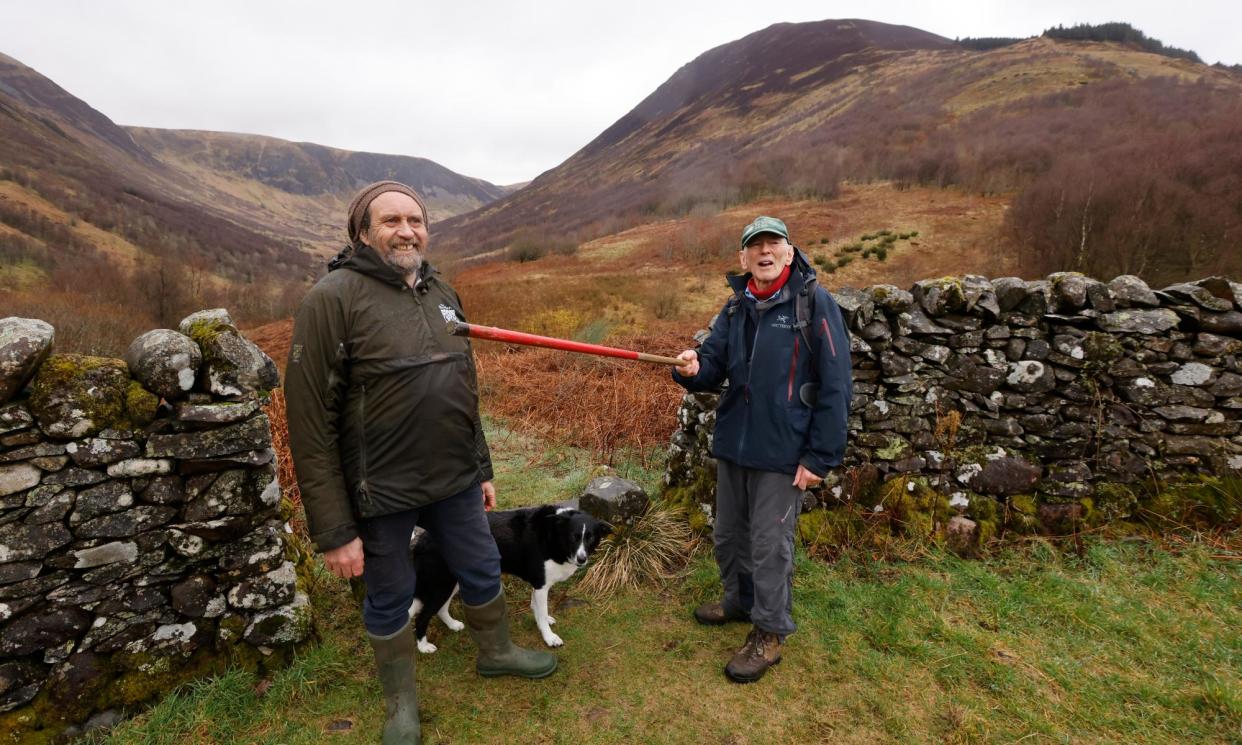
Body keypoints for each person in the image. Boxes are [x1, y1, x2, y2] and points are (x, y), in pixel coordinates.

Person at [284, 181, 556, 744]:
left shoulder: (442, 290)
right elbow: (309, 424)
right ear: (362, 232)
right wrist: (335, 529)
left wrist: (481, 466)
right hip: (380, 488)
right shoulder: (331, 300)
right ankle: (401, 705)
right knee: (389, 591)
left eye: (415, 219)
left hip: (453, 478)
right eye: (391, 221)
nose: (406, 230)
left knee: (481, 565)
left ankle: (497, 651)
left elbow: (464, 386)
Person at [672, 215, 853, 683]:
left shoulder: (815, 304)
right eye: (755, 246)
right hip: (735, 444)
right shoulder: (734, 309)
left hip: (782, 452)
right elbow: (711, 366)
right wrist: (691, 368)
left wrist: (819, 457)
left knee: (770, 546)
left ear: (789, 252)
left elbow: (837, 384)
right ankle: (739, 601)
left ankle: (769, 634)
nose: (764, 251)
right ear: (743, 258)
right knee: (729, 535)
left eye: (774, 243)